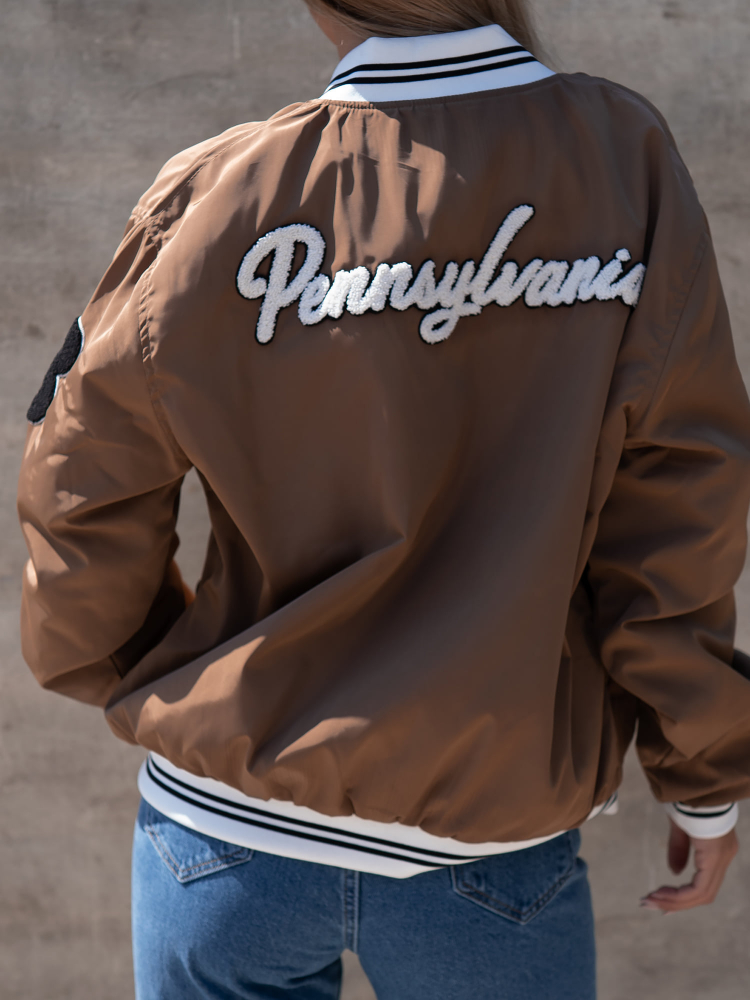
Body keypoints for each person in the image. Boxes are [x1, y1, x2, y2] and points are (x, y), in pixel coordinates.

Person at [17, 1, 750, 997]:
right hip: (489, 847)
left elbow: (79, 482)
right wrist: (702, 775)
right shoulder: (626, 163)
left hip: (224, 837)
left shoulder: (217, 192)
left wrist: (135, 665)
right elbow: (678, 513)